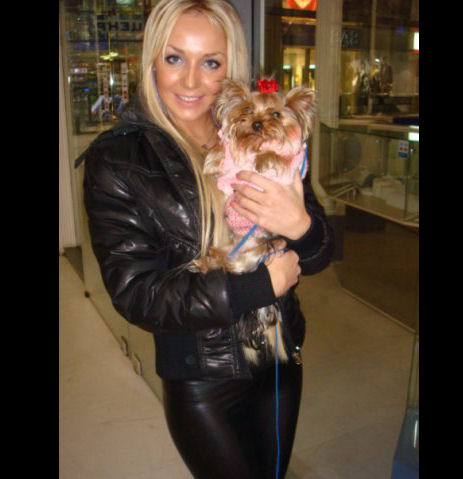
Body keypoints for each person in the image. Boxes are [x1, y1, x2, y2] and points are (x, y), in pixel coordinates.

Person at [77, 1, 334, 478]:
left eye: (211, 62)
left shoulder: (265, 133)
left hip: (279, 356)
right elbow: (137, 294)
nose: (191, 81)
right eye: (175, 58)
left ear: (229, 68)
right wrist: (257, 286)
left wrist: (300, 226)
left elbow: (320, 255)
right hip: (202, 378)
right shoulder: (118, 159)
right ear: (152, 59)